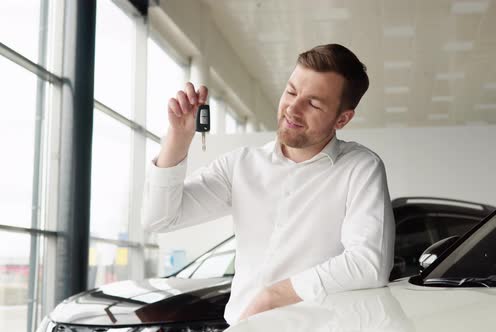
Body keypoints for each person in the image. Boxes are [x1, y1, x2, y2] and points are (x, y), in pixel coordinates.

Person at [142, 44, 395, 325]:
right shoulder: (240, 165)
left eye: (313, 103)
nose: (293, 109)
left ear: (342, 119)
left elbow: (369, 263)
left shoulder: (360, 168)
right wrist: (178, 136)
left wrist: (274, 296)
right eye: (291, 92)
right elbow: (159, 220)